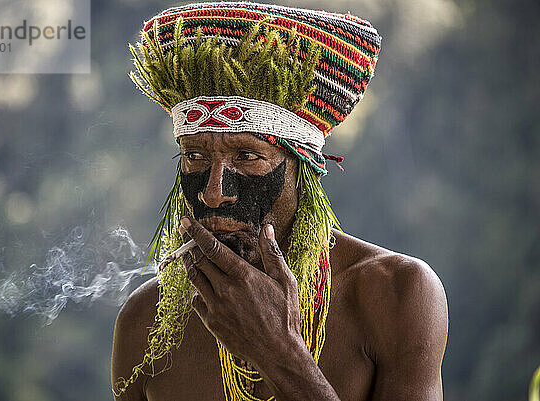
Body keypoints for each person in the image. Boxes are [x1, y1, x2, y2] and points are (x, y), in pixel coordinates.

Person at [111, 2, 448, 400]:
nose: (214, 193)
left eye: (248, 157)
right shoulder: (144, 323)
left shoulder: (394, 294)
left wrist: (279, 352)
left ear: (302, 170)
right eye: (195, 157)